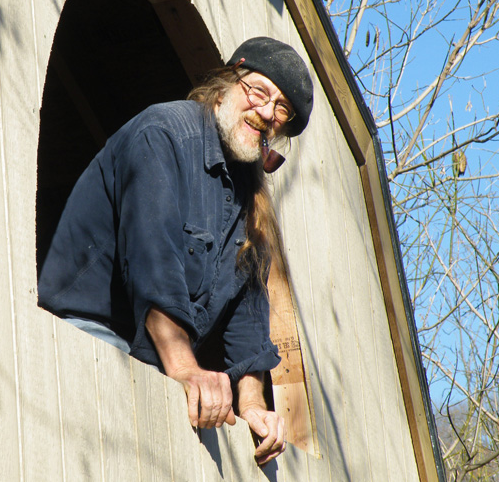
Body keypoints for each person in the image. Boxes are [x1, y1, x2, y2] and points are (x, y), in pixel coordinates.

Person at [38, 37, 313, 465]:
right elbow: (153, 265)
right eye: (258, 91)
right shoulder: (162, 134)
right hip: (82, 341)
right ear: (225, 84)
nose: (266, 113)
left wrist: (253, 404)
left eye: (281, 109)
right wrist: (186, 369)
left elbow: (249, 319)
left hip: (150, 365)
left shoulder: (251, 197)